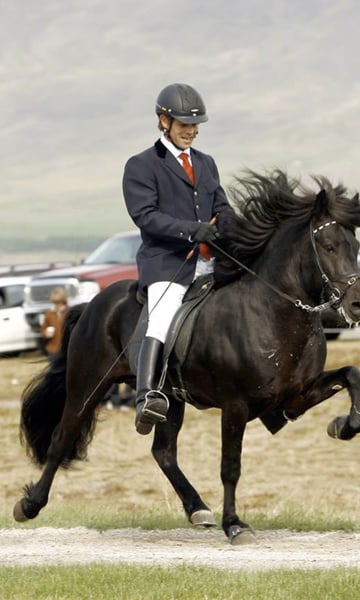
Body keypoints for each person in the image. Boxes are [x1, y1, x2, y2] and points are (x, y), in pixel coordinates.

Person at [123, 82, 234, 435]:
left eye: (195, 124)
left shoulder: (206, 163)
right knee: (161, 317)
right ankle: (147, 397)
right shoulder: (141, 165)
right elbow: (146, 216)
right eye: (185, 124)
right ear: (164, 121)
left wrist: (228, 223)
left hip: (210, 260)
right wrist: (191, 230)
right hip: (168, 262)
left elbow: (221, 206)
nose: (192, 131)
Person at [40, 287, 68, 359]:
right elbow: (43, 330)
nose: (57, 305)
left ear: (64, 302)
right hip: (53, 349)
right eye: (55, 303)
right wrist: (46, 333)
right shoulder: (49, 314)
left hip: (67, 349)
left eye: (59, 303)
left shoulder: (69, 313)